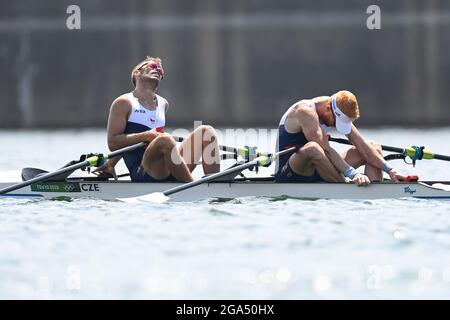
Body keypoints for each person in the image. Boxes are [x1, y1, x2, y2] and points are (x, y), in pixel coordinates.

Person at [95, 56, 220, 182]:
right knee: (164, 139)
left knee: (206, 132)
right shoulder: (124, 102)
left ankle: (216, 185)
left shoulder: (163, 103)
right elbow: (113, 142)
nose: (158, 70)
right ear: (137, 73)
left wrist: (111, 163)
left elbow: (142, 138)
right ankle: (192, 185)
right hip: (143, 171)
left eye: (161, 70)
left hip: (166, 166)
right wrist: (147, 135)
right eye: (153, 67)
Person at [274, 90, 405, 186]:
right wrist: (353, 174)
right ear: (327, 108)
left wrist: (390, 170)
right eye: (336, 122)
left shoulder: (337, 109)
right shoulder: (304, 112)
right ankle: (347, 184)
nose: (336, 126)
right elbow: (325, 150)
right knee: (313, 148)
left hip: (321, 168)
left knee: (373, 146)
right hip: (292, 172)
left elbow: (362, 145)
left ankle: (372, 192)